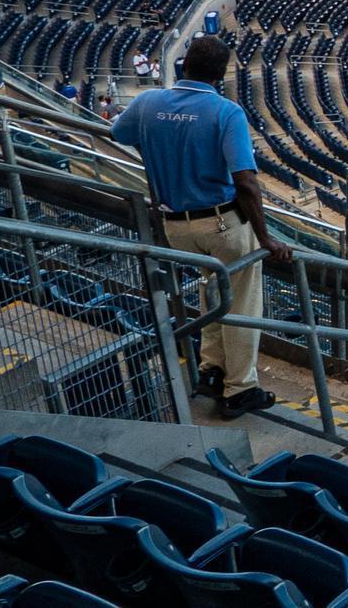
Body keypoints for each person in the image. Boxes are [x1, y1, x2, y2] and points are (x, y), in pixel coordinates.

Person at [111, 36, 292, 418]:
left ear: (185, 64)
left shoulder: (146, 102)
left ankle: (211, 370)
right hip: (223, 224)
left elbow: (118, 134)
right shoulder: (227, 112)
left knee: (213, 291)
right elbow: (245, 181)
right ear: (222, 74)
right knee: (241, 303)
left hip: (175, 226)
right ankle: (240, 388)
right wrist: (264, 237)